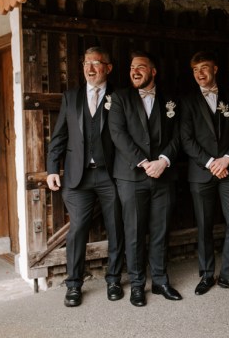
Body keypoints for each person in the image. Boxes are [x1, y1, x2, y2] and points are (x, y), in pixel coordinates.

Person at [46, 46, 124, 307]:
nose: (90, 69)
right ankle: (74, 285)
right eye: (86, 64)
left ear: (108, 68)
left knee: (116, 227)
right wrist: (51, 169)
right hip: (77, 178)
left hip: (110, 175)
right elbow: (59, 137)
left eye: (96, 63)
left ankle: (113, 279)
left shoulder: (120, 96)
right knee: (78, 229)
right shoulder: (72, 97)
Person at [108, 50, 182, 307]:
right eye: (131, 68)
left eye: (140, 67)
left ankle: (160, 281)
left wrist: (163, 161)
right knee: (135, 232)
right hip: (131, 176)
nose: (135, 71)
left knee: (161, 231)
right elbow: (117, 134)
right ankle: (137, 285)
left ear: (153, 71)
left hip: (163, 173)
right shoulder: (120, 97)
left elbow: (178, 135)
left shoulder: (170, 99)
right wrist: (144, 162)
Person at [180, 51, 229, 296]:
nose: (200, 73)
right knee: (204, 225)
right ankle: (207, 274)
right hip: (201, 172)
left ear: (215, 68)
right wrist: (212, 162)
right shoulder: (187, 101)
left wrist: (227, 158)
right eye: (195, 70)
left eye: (204, 67)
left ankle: (228, 274)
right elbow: (186, 140)